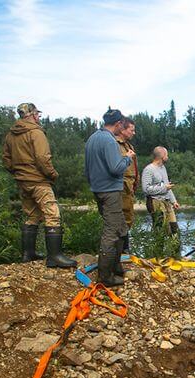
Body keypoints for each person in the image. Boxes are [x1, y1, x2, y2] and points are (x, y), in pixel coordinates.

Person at [2, 103, 77, 268]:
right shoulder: (36, 132)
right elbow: (43, 158)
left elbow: (6, 159)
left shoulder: (11, 135)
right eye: (37, 114)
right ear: (32, 114)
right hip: (38, 181)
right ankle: (54, 257)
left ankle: (28, 254)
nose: (39, 117)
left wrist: (18, 173)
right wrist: (53, 175)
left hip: (22, 181)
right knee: (52, 214)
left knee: (32, 215)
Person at [85, 108, 134, 287]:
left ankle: (117, 266)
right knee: (111, 232)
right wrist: (127, 158)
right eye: (123, 123)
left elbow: (87, 168)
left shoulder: (92, 138)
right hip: (110, 191)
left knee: (121, 228)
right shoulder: (109, 140)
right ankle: (105, 276)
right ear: (119, 123)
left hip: (98, 189)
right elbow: (116, 168)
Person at [141, 146, 180, 238]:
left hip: (167, 202)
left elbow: (167, 187)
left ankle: (174, 251)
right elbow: (146, 189)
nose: (168, 156)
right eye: (166, 154)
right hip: (155, 202)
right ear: (162, 155)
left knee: (174, 230)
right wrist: (164, 188)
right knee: (160, 231)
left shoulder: (163, 168)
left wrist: (174, 201)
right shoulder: (148, 169)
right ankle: (159, 251)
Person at [115, 117, 138, 253]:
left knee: (129, 216)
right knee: (123, 217)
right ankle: (122, 249)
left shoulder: (129, 146)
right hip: (122, 185)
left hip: (130, 185)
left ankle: (124, 249)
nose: (133, 133)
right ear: (123, 129)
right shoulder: (115, 144)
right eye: (131, 130)